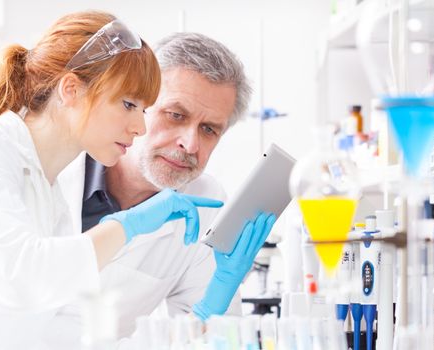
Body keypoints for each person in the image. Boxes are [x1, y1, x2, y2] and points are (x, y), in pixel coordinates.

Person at [0, 12, 223, 350]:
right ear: (71, 89)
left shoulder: (50, 198)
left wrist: (203, 315)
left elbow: (61, 335)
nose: (140, 128)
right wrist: (124, 227)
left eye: (143, 110)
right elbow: (19, 278)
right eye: (128, 104)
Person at [54, 32, 277, 342]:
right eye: (175, 115)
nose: (190, 143)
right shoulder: (55, 171)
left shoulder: (206, 203)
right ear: (137, 103)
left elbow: (209, 338)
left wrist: (216, 301)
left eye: (209, 129)